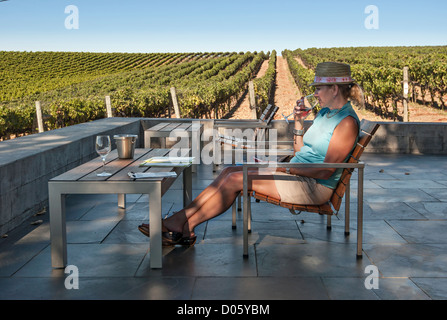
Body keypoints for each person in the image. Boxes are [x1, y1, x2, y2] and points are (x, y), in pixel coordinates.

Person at [138, 61, 364, 246]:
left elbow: (325, 171)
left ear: (334, 89)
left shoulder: (346, 122)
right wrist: (297, 122)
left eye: (318, 89)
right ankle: (184, 225)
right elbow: (302, 152)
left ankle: (179, 222)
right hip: (298, 174)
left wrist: (279, 167)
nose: (314, 94)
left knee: (237, 178)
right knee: (229, 171)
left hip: (313, 187)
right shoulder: (326, 113)